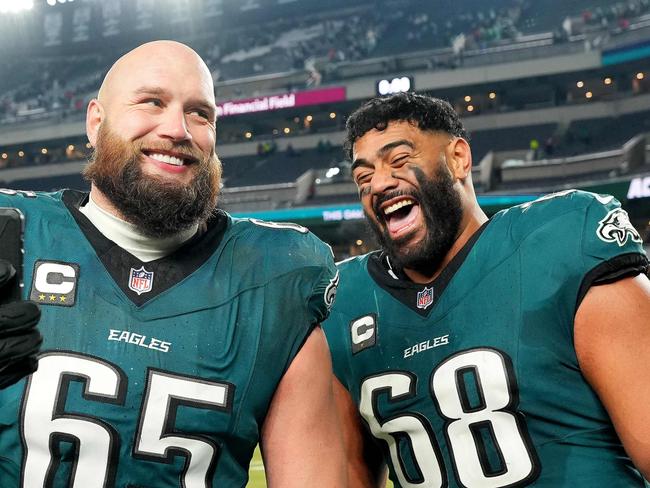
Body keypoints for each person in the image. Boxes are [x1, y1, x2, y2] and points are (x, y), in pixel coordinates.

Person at [0, 40, 347, 487]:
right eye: (152, 102)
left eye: (201, 113)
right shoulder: (12, 237)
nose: (178, 129)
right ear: (96, 122)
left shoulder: (276, 275)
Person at [323, 92, 650, 487]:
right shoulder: (346, 300)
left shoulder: (560, 240)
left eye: (399, 160)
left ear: (458, 158)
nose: (379, 183)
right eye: (363, 177)